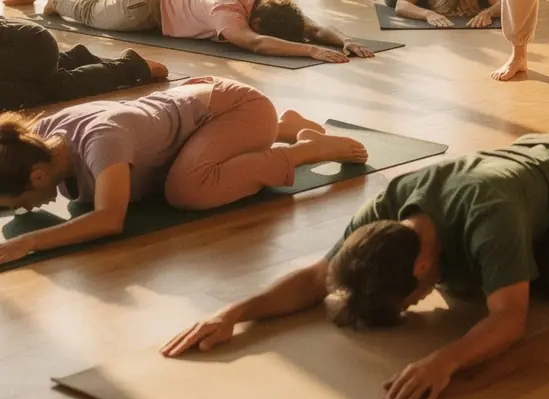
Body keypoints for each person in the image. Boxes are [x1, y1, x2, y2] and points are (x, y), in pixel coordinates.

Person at [161, 136, 549, 399]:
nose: (415, 308)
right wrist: (235, 312)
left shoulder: (487, 213)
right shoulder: (386, 214)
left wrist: (444, 359)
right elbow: (318, 277)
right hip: (538, 176)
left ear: (423, 265)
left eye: (410, 301)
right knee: (516, 269)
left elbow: (510, 319)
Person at [0, 76, 369, 266]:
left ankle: (305, 150)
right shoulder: (36, 140)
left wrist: (29, 242)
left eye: (20, 202)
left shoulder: (101, 143)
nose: (25, 210)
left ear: (37, 177)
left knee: (188, 191)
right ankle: (282, 126)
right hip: (195, 111)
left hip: (235, 108)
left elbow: (109, 219)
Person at [43, 0, 372, 63]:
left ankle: (109, 0)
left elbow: (310, 27)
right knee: (92, 15)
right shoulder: (226, 11)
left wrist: (344, 40)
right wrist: (312, 51)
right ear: (256, 21)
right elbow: (254, 43)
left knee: (107, 7)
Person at [0, 16, 167, 111]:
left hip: (31, 46)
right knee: (32, 90)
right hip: (30, 43)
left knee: (47, 91)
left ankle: (130, 67)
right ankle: (78, 57)